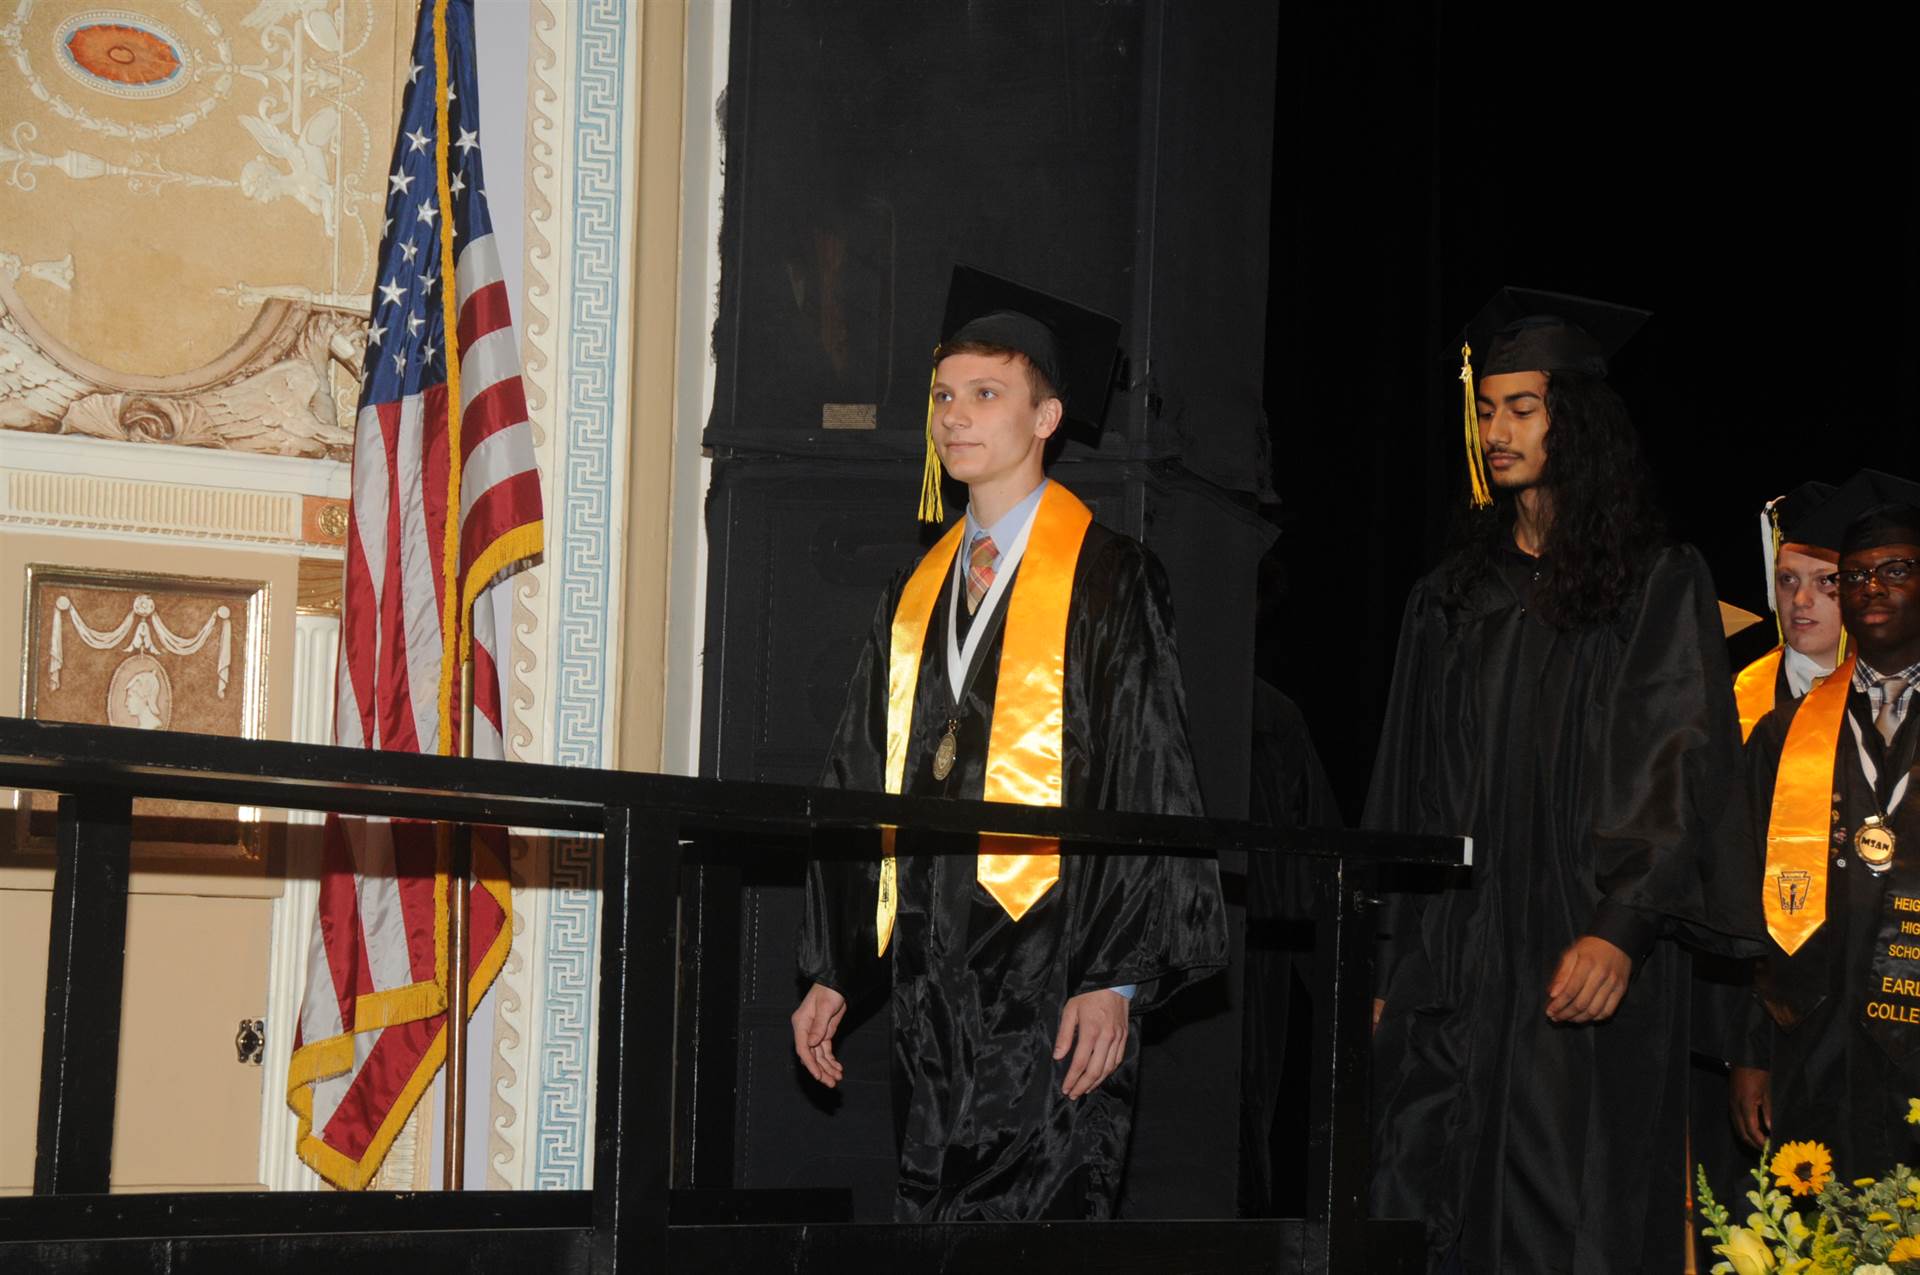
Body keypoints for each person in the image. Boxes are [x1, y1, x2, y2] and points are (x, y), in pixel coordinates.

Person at [790, 266, 1226, 1221]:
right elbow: (860, 774)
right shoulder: (915, 592)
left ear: (1047, 417)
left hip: (1054, 975)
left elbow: (1149, 774)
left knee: (1042, 1225)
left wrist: (1116, 975)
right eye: (946, 395)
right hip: (932, 982)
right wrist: (835, 967)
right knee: (930, 1218)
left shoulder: (1112, 578)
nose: (955, 417)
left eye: (987, 394)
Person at [1366, 288, 1756, 1272]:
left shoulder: (1652, 584)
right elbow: (1403, 791)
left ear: (1575, 420)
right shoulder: (1449, 601)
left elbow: (1679, 757)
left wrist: (1623, 927)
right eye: (1487, 410)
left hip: (1580, 946)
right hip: (1456, 964)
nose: (1497, 431)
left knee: (1571, 1203)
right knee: (1434, 1190)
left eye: (1523, 409)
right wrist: (1389, 966)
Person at [1730, 470, 1920, 1176]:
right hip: (1815, 1043)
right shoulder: (1784, 734)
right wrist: (1751, 1050)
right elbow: (1754, 907)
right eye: (1857, 573)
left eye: (1895, 569)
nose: (1871, 587)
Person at [1733, 482, 1845, 740]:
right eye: (1788, 579)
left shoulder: (1896, 696)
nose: (1800, 599)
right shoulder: (1731, 700)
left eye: (1825, 580)